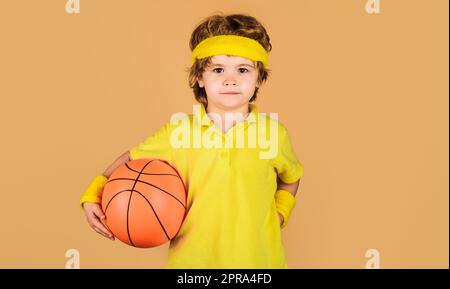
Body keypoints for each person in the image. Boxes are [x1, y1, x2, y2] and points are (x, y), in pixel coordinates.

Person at [80, 13, 304, 269]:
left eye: (243, 70)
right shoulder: (177, 133)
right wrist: (92, 193)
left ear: (259, 79)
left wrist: (280, 212)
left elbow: (291, 176)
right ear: (199, 78)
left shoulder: (274, 134)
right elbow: (130, 159)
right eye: (218, 69)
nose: (230, 79)